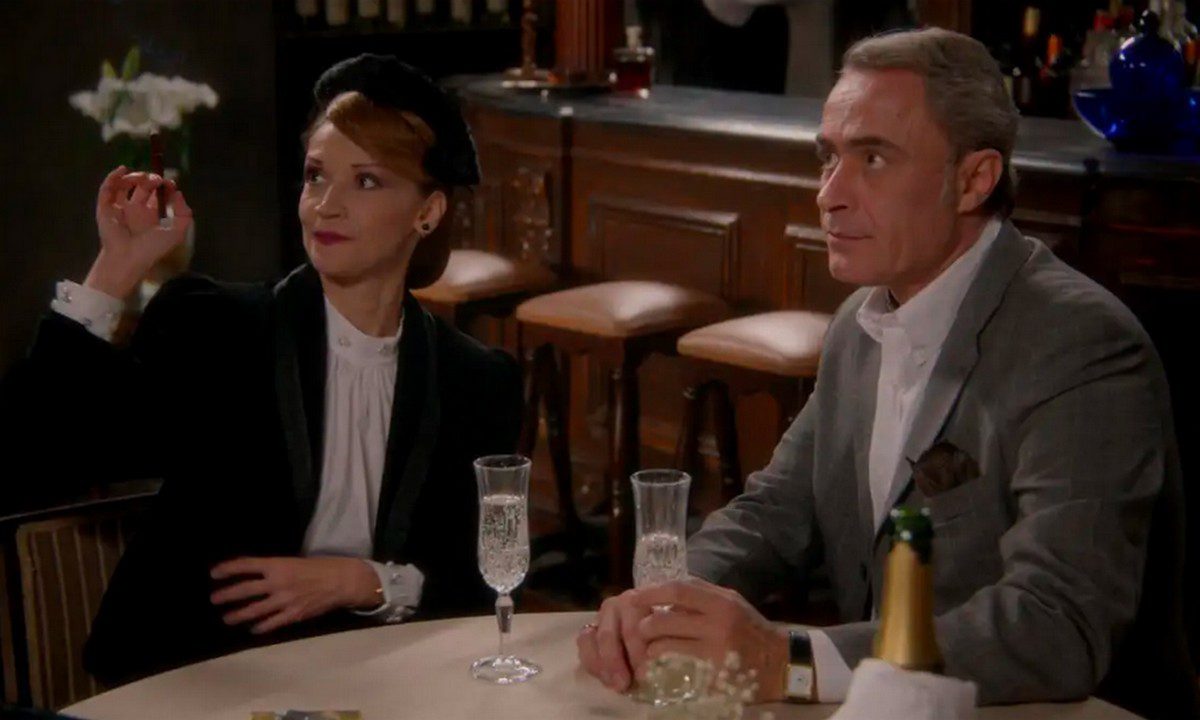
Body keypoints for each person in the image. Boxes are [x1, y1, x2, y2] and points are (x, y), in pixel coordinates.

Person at [576, 28, 1197, 720]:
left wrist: (791, 659)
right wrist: (664, 604)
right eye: (829, 158)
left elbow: (1058, 623)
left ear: (974, 179)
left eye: (873, 158)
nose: (829, 195)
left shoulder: (1080, 343)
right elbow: (776, 511)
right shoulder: (859, 321)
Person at [0, 54, 522, 685]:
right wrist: (115, 268)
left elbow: (483, 587)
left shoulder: (475, 381)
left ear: (428, 212)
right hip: (200, 678)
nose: (325, 206)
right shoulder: (216, 328)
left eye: (366, 181)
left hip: (379, 680)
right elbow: (33, 455)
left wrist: (365, 582)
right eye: (315, 176)